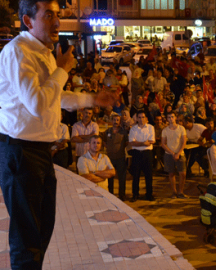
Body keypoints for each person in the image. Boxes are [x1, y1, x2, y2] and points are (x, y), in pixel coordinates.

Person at [0, 1, 115, 267]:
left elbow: (55, 97)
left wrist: (92, 100)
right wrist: (62, 69)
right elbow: (38, 103)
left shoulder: (44, 53)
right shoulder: (18, 51)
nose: (57, 22)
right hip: (20, 153)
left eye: (58, 15)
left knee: (42, 233)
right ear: (28, 21)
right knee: (26, 241)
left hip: (39, 152)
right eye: (48, 15)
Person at [128, 110, 156, 202]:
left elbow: (152, 141)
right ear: (136, 118)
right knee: (135, 175)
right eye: (139, 117)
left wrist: (138, 143)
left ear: (146, 118)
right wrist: (143, 143)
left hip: (147, 153)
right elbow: (132, 142)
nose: (141, 119)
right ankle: (135, 194)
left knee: (149, 175)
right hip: (136, 153)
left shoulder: (151, 127)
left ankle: (149, 194)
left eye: (143, 117)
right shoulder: (133, 129)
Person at [161, 111, 188, 198]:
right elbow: (163, 143)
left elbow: (184, 142)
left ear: (175, 118)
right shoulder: (165, 130)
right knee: (171, 173)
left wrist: (178, 153)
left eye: (172, 117)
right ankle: (174, 192)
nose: (171, 119)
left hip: (180, 153)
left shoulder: (181, 128)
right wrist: (172, 153)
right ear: (167, 119)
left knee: (182, 173)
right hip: (169, 154)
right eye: (169, 117)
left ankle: (181, 191)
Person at [102, 114, 128, 201]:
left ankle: (122, 195)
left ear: (120, 122)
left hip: (120, 157)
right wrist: (109, 148)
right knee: (110, 178)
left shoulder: (123, 132)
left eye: (117, 120)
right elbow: (104, 141)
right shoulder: (107, 131)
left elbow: (126, 143)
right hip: (110, 158)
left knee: (122, 178)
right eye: (114, 120)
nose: (116, 122)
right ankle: (110, 195)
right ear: (111, 121)